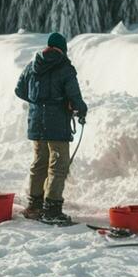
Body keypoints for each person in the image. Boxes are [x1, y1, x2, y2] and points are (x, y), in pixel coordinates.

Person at [14, 31, 88, 225]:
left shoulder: (32, 65)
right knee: (59, 164)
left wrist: (38, 103)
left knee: (39, 162)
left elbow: (19, 90)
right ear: (62, 49)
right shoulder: (65, 67)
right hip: (57, 123)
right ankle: (52, 209)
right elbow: (74, 96)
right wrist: (80, 109)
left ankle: (34, 206)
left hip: (36, 122)